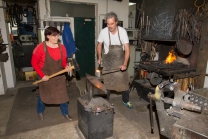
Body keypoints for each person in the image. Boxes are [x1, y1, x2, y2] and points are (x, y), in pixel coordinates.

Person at [31, 26, 73, 120]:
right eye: (53, 36)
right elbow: (34, 63)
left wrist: (66, 66)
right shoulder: (41, 48)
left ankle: (65, 113)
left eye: (57, 35)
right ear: (47, 36)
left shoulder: (62, 47)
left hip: (59, 74)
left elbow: (63, 61)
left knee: (63, 94)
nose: (56, 38)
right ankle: (40, 112)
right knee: (43, 95)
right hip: (45, 74)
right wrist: (42, 76)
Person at [96, 12, 133, 109]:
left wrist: (125, 63)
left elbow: (127, 49)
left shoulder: (122, 32)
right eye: (108, 24)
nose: (110, 26)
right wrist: (99, 57)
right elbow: (99, 45)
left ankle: (126, 101)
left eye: (112, 24)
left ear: (116, 22)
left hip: (120, 61)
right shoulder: (104, 32)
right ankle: (106, 102)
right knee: (107, 82)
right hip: (108, 61)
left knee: (124, 82)